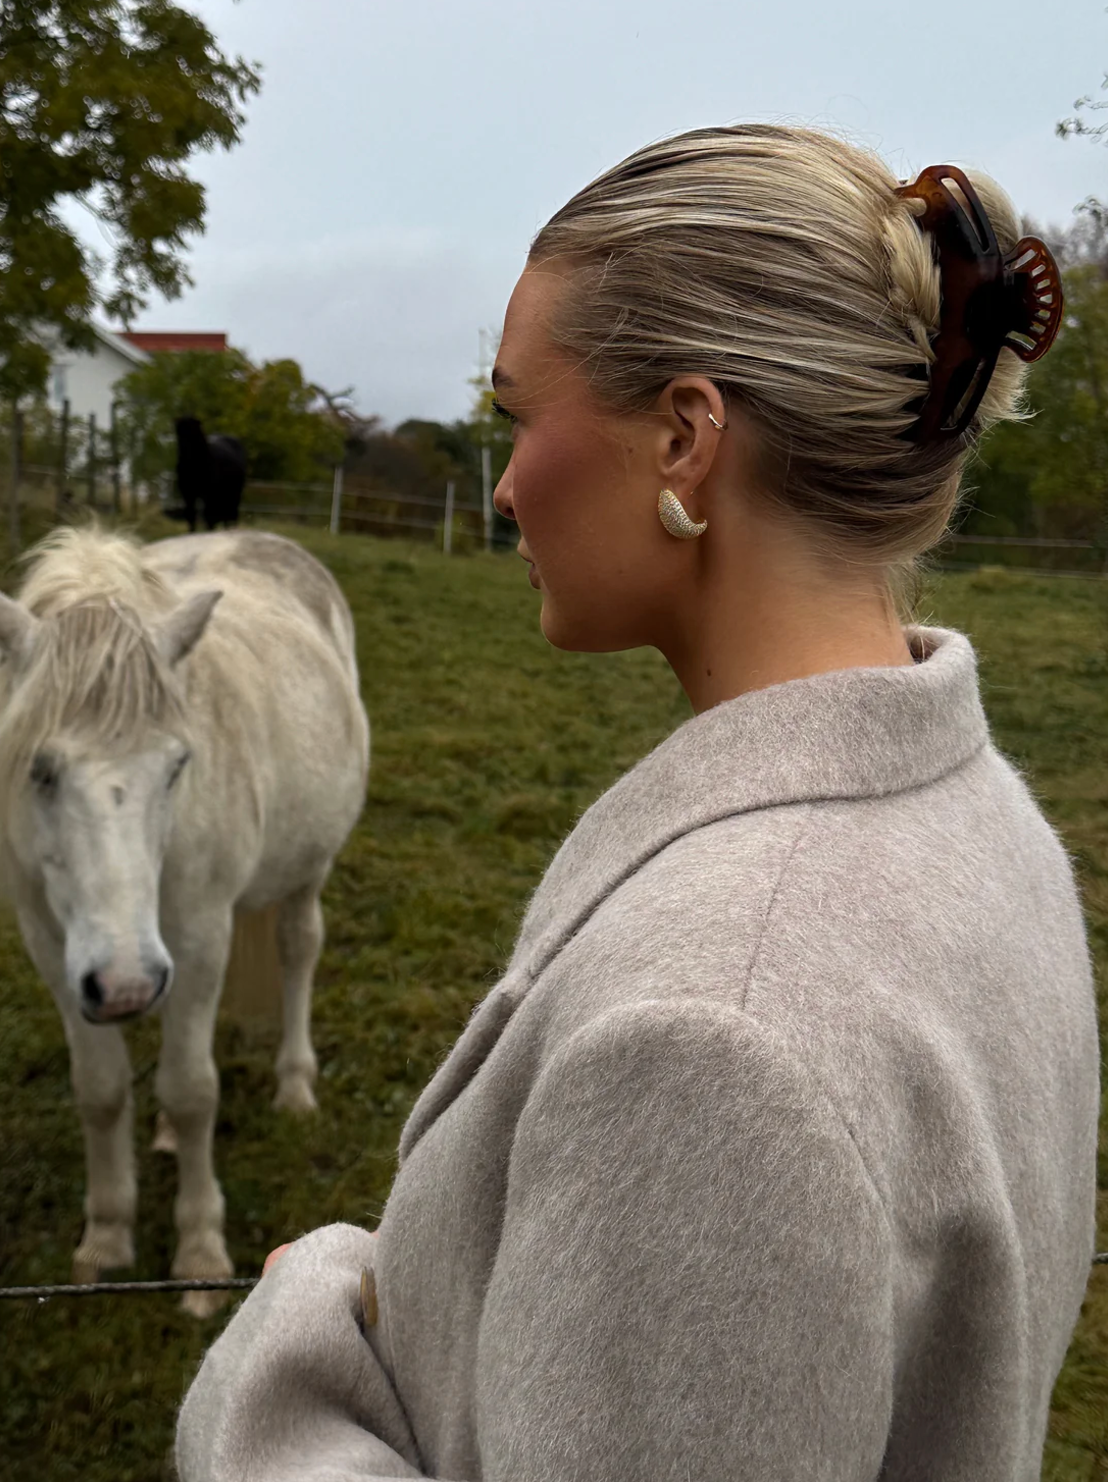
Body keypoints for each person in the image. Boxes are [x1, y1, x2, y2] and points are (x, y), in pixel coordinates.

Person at [175, 126, 1099, 1482]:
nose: (500, 484)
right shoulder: (987, 822)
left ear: (682, 435)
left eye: (516, 415)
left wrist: (291, 1352)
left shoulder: (715, 1037)